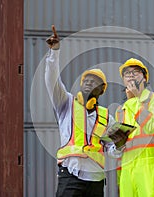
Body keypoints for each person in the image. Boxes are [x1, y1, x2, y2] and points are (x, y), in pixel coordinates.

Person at [45, 25, 122, 197]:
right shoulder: (66, 104)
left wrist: (120, 143)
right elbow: (52, 81)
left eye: (94, 81)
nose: (88, 83)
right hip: (71, 176)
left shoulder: (106, 117)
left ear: (102, 90)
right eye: (86, 80)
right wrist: (54, 53)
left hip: (96, 181)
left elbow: (112, 150)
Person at [115, 58, 154, 197]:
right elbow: (120, 147)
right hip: (127, 171)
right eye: (127, 73)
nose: (131, 75)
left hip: (150, 168)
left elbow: (149, 127)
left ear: (145, 78)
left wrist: (135, 99)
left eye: (136, 72)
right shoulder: (121, 110)